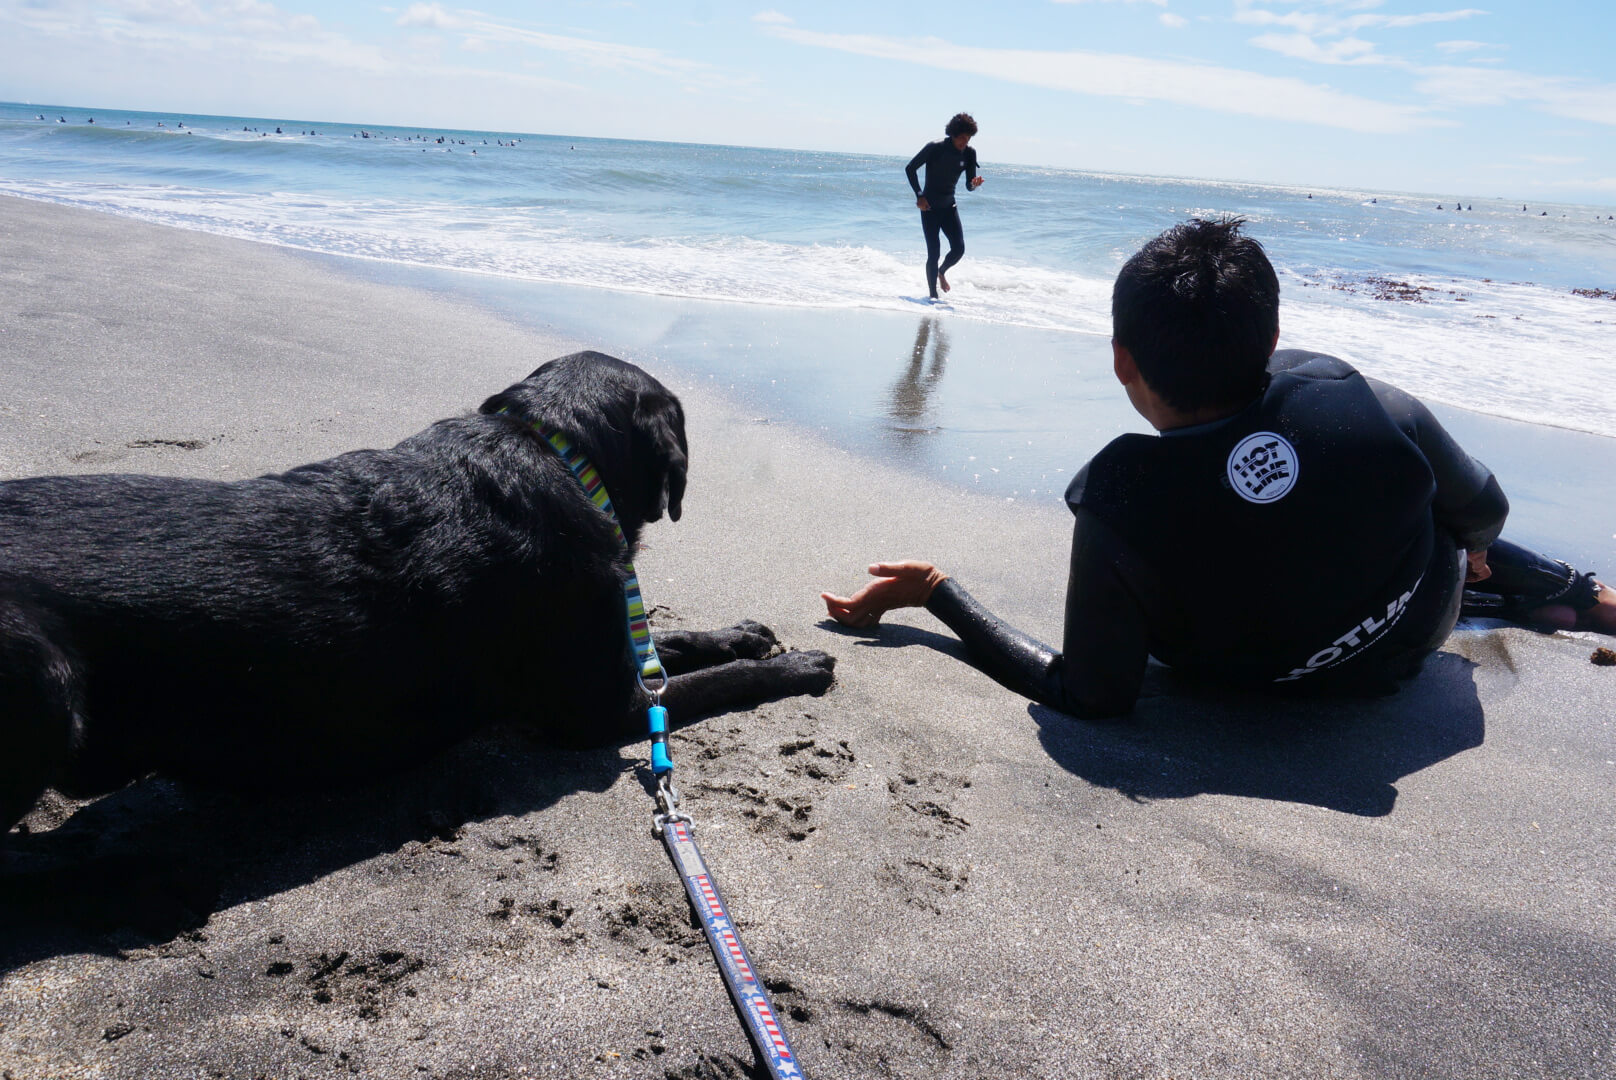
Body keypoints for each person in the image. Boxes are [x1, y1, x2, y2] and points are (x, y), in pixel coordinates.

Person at [822, 219, 1614, 720]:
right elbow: (1484, 505)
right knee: (1425, 500)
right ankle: (1574, 593)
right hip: (1405, 634)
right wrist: (1474, 547)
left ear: (1121, 360)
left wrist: (938, 594)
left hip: (1258, 685)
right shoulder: (1357, 393)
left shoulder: (1120, 500)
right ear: (1272, 337)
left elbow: (1090, 694)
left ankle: (1545, 595)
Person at [906, 113, 985, 300]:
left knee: (959, 249)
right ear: (953, 134)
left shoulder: (969, 153)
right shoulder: (935, 148)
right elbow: (910, 168)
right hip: (929, 208)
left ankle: (942, 272)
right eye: (962, 138)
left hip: (949, 207)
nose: (965, 142)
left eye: (968, 138)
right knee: (934, 252)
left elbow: (968, 186)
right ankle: (933, 297)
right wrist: (919, 195)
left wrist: (974, 184)